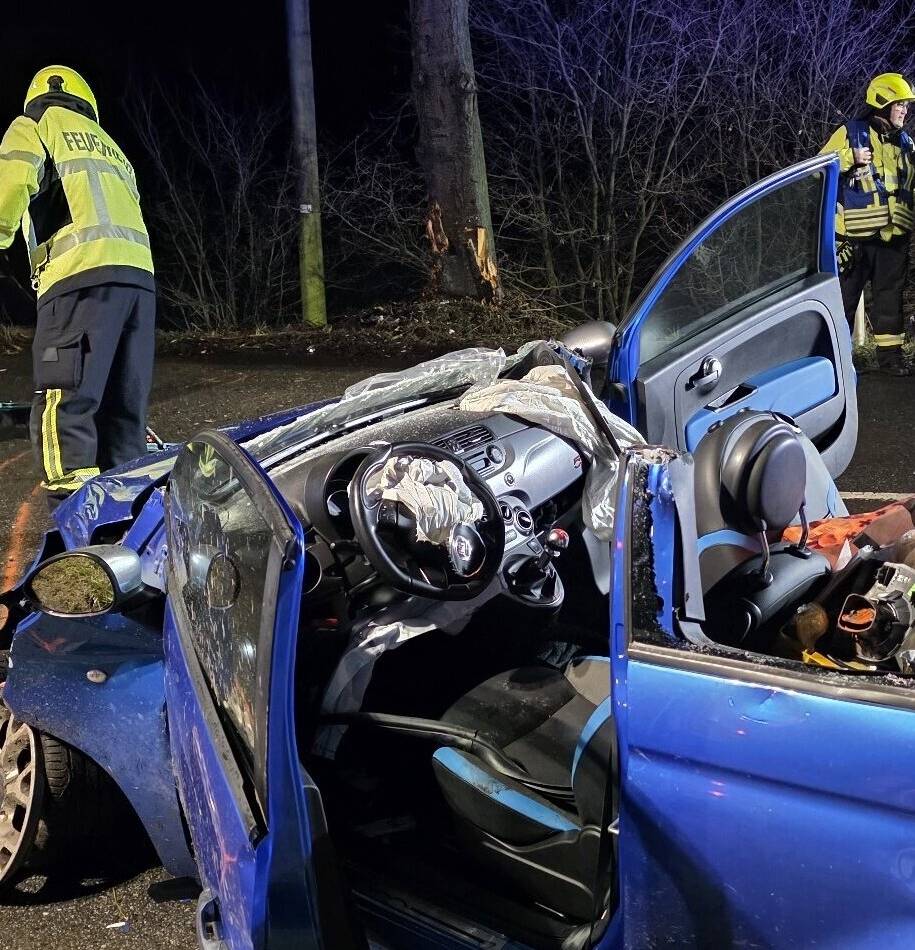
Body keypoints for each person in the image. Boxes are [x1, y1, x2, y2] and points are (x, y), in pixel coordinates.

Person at [0, 66, 155, 503]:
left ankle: (75, 518)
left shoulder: (36, 124)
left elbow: (10, 182)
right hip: (137, 282)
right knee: (122, 408)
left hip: (76, 276)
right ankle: (131, 516)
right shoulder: (111, 148)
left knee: (63, 399)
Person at [821, 72, 915, 376]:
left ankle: (890, 360)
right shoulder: (851, 133)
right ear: (882, 102)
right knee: (845, 302)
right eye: (899, 104)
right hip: (854, 239)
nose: (904, 110)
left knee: (890, 300)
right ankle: (838, 365)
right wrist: (850, 157)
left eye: (905, 105)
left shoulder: (906, 143)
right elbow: (818, 170)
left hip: (893, 237)